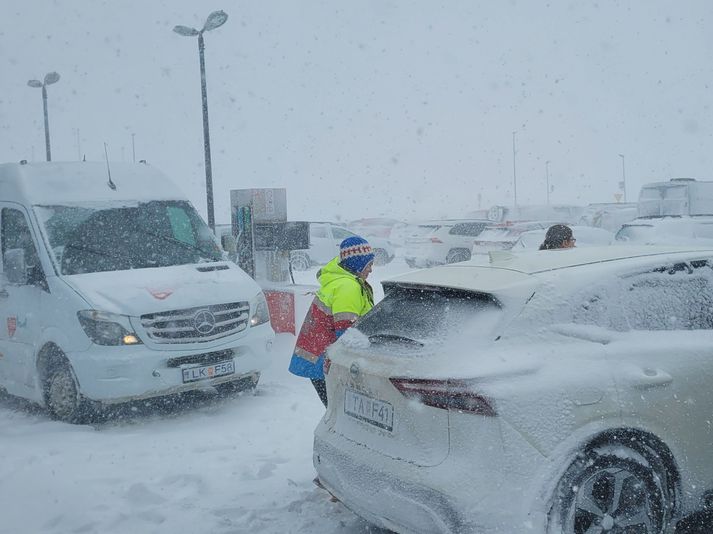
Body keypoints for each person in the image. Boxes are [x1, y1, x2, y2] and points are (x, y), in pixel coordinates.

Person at [288, 235, 375, 407]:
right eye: (369, 265)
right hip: (325, 362)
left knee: (338, 413)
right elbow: (347, 332)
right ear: (358, 265)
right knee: (342, 415)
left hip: (317, 359)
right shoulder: (347, 287)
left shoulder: (340, 281)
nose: (371, 270)